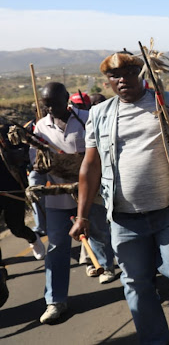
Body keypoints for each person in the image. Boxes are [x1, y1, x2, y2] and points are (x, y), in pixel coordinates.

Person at [71, 51, 169, 343]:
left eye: (129, 74)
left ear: (141, 74)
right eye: (115, 76)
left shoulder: (167, 102)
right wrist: (82, 215)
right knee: (135, 282)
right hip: (123, 217)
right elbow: (90, 166)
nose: (122, 80)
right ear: (107, 82)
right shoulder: (99, 114)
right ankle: (155, 339)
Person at [32, 82, 116, 325]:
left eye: (54, 103)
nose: (50, 109)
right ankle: (55, 300)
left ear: (67, 99)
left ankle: (105, 264)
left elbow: (101, 155)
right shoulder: (40, 127)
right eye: (46, 104)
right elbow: (37, 165)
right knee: (57, 248)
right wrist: (33, 185)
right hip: (58, 198)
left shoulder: (87, 119)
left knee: (98, 231)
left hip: (90, 193)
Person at [0, 125, 39, 308]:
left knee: (16, 228)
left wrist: (15, 152)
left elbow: (25, 152)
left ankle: (33, 238)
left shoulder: (7, 130)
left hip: (12, 189)